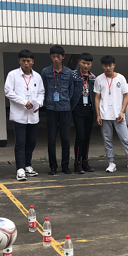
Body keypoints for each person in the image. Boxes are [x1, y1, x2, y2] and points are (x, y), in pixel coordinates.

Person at [94, 55, 128, 174]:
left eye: (110, 65)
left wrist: (122, 111)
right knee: (107, 140)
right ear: (102, 66)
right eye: (105, 66)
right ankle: (111, 163)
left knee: (125, 139)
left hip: (119, 115)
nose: (108, 68)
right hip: (105, 115)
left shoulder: (121, 78)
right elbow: (97, 97)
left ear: (114, 65)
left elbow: (126, 96)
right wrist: (98, 114)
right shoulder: (99, 79)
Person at [4, 49, 44, 181]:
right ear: (19, 61)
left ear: (33, 62)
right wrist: (23, 102)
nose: (26, 63)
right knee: (20, 142)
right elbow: (8, 92)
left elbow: (41, 93)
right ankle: (20, 169)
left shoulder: (37, 76)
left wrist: (38, 104)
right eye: (23, 61)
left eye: (28, 61)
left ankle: (28, 165)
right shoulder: (13, 75)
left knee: (31, 142)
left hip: (33, 115)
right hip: (19, 115)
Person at [41, 45, 79, 175]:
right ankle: (53, 166)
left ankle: (65, 165)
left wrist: (67, 102)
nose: (56, 59)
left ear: (63, 57)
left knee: (66, 139)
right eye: (54, 56)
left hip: (65, 109)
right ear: (50, 57)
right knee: (51, 139)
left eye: (58, 57)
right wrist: (47, 102)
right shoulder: (46, 71)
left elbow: (72, 90)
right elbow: (43, 88)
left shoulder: (69, 73)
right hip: (51, 108)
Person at [72, 53, 95, 174]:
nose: (86, 66)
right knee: (80, 136)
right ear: (79, 62)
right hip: (78, 108)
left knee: (87, 137)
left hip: (89, 108)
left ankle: (85, 161)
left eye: (88, 64)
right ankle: (77, 162)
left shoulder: (93, 77)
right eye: (84, 63)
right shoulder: (73, 75)